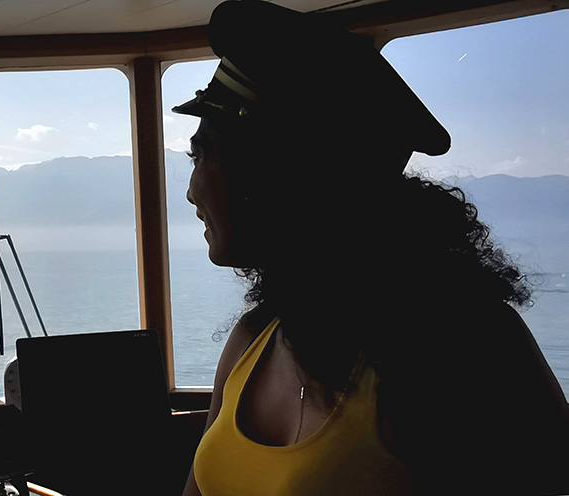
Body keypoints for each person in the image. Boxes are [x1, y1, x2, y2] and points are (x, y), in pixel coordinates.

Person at [173, 1, 569, 495]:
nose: (191, 191)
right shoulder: (253, 339)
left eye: (201, 155)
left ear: (271, 173)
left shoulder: (465, 346)